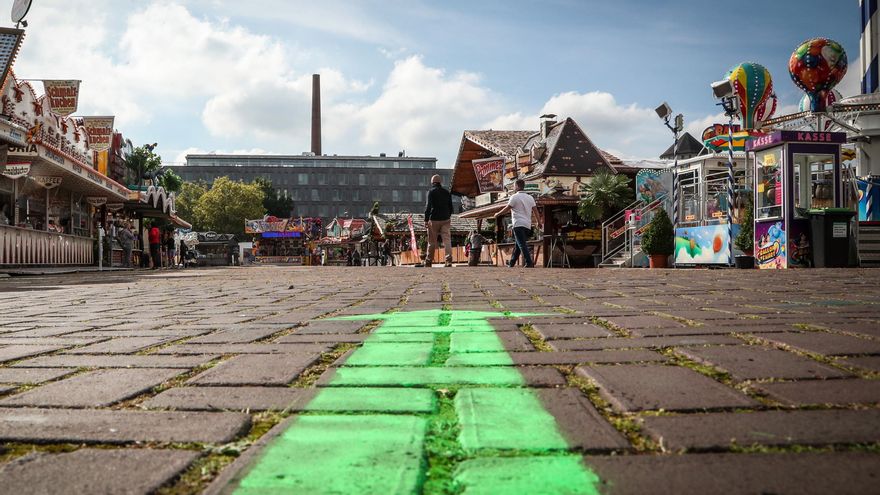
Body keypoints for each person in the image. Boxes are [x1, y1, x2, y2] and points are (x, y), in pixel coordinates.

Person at [494, 179, 542, 268]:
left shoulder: (514, 197)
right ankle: (512, 263)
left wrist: (498, 214)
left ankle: (529, 262)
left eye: (514, 186)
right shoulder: (530, 197)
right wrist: (539, 222)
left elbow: (507, 208)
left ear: (517, 186)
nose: (514, 187)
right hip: (527, 225)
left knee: (521, 244)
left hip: (518, 224)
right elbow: (535, 211)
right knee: (518, 244)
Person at [424, 174, 453, 267]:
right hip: (446, 219)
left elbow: (428, 207)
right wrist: (448, 216)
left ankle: (429, 261)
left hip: (434, 219)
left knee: (432, 241)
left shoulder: (431, 192)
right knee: (447, 240)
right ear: (441, 182)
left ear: (432, 182)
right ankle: (448, 260)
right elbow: (451, 207)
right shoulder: (446, 192)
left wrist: (426, 219)